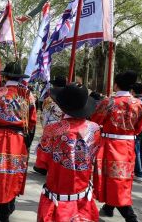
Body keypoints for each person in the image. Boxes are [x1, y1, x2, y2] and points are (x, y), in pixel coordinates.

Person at [36, 83, 101, 221]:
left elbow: (42, 163)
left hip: (57, 194)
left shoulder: (52, 129)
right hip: (83, 194)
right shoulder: (94, 129)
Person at [0, 62, 37, 222]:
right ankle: (10, 201)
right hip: (18, 138)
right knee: (14, 170)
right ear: (20, 77)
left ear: (5, 76)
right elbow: (32, 120)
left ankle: (4, 207)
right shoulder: (28, 94)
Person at [92, 71, 142, 221]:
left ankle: (130, 216)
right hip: (128, 145)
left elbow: (96, 120)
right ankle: (109, 207)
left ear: (116, 84)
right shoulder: (139, 104)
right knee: (121, 179)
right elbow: (139, 128)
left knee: (114, 180)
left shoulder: (108, 102)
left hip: (110, 145)